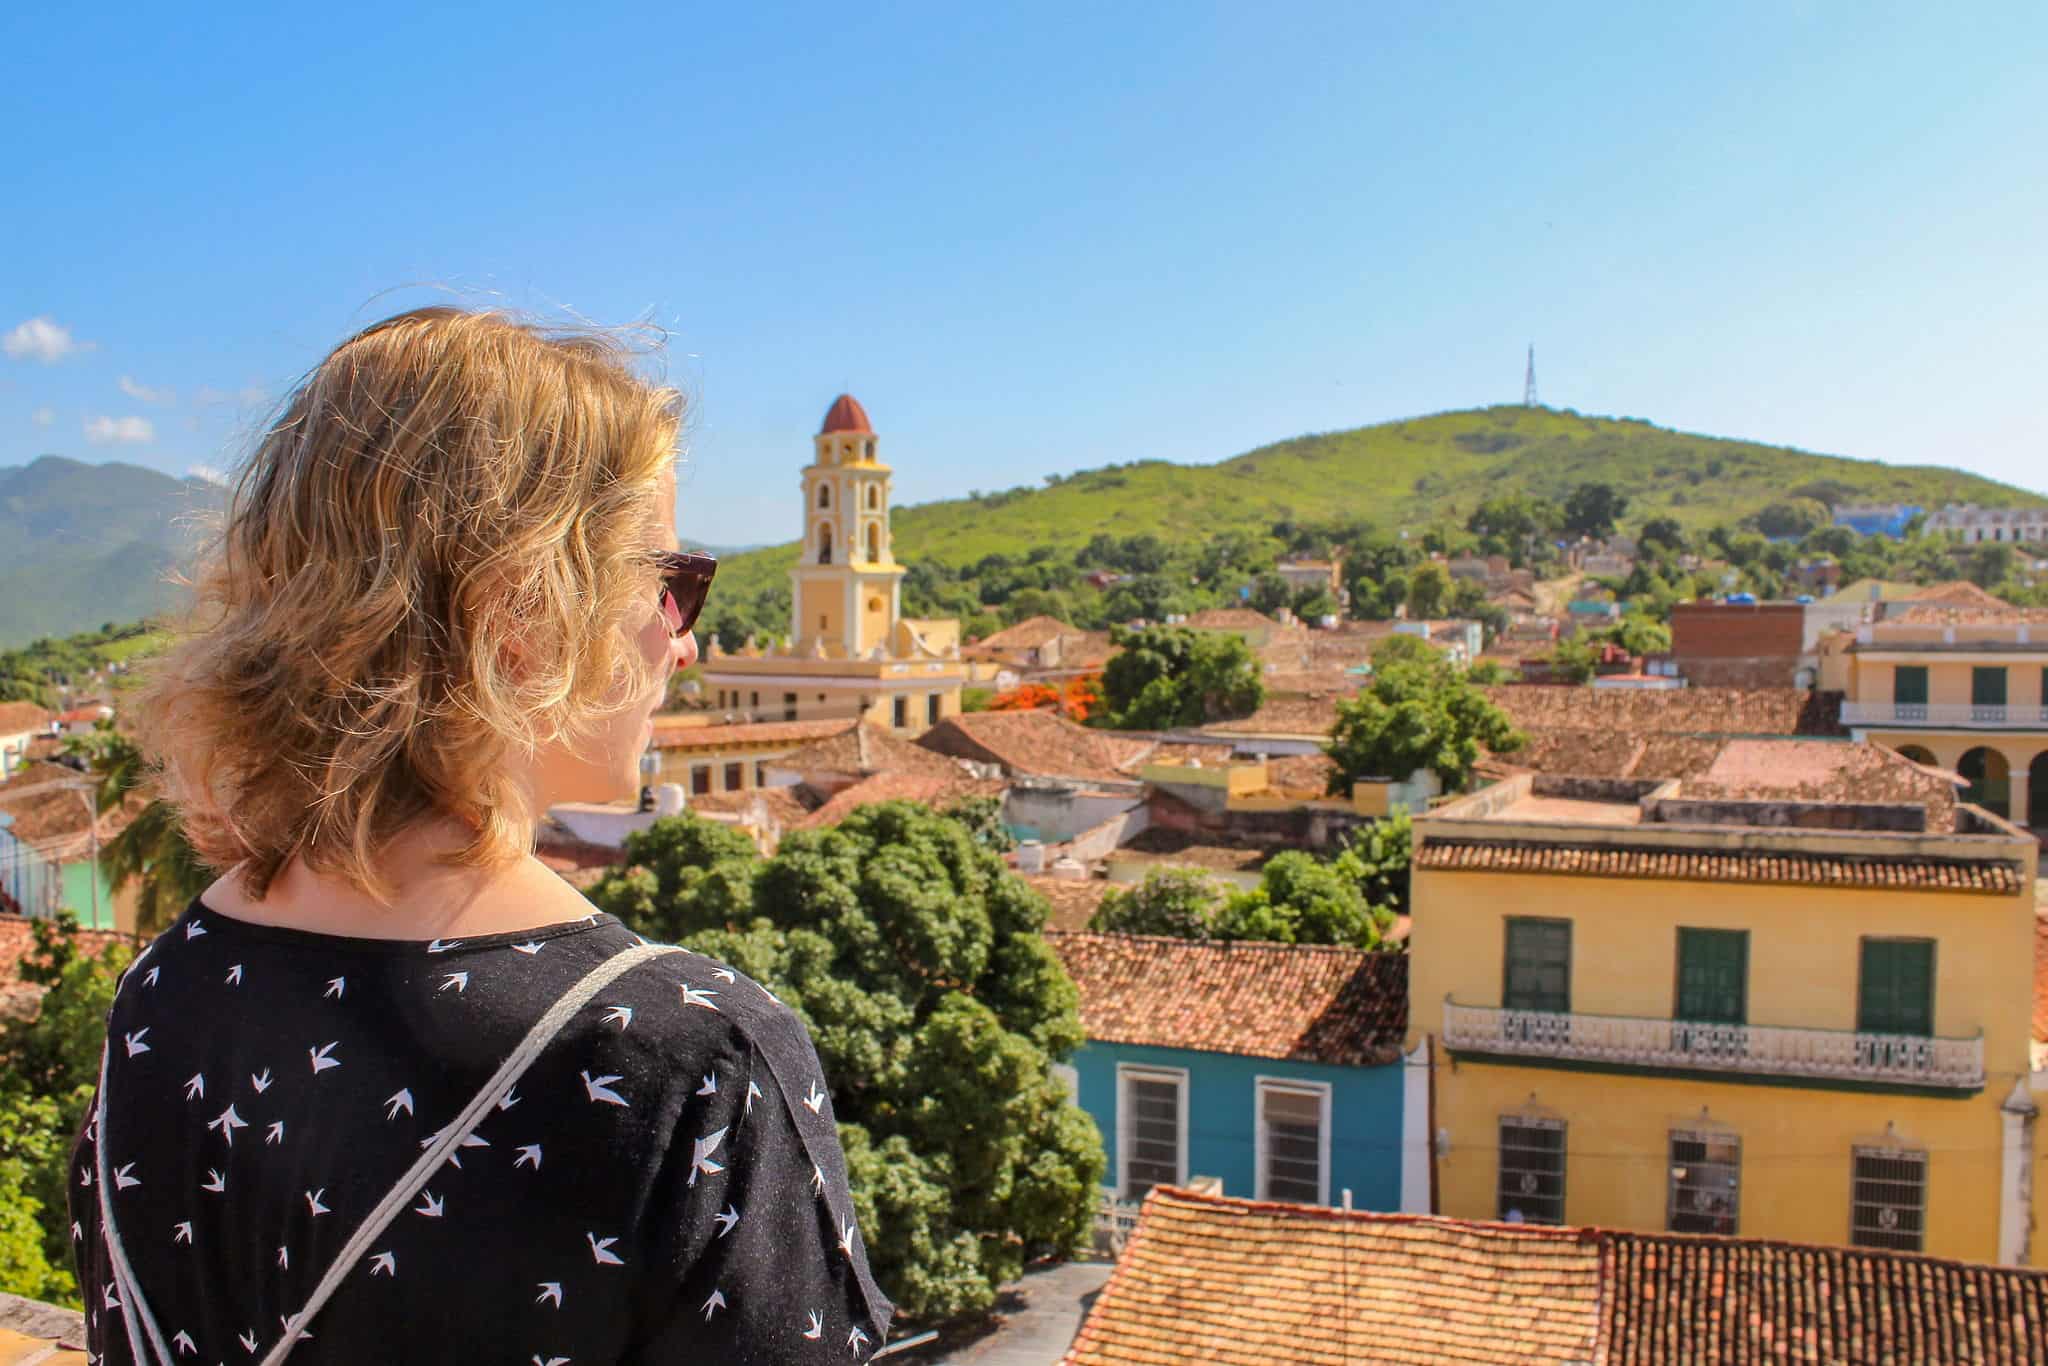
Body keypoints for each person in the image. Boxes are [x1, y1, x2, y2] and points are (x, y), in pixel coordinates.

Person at [68, 307, 891, 1363]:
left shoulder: (162, 992)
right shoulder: (685, 1061)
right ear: (520, 611)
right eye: (672, 583)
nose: (684, 642)